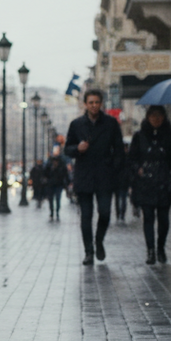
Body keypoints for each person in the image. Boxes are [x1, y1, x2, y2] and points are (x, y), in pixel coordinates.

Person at [63, 89, 124, 264]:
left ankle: (99, 241)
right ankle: (88, 251)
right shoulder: (77, 124)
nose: (94, 105)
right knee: (86, 216)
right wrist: (77, 149)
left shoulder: (111, 123)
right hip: (84, 175)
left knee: (105, 213)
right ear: (85, 104)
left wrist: (114, 167)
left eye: (97, 102)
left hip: (105, 175)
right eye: (91, 102)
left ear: (101, 103)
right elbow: (68, 148)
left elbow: (119, 150)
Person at [127, 105, 171, 264]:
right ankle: (150, 250)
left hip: (164, 182)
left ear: (164, 117)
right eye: (152, 116)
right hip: (146, 182)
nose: (156, 119)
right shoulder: (139, 136)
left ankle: (161, 247)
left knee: (164, 218)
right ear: (147, 118)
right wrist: (137, 169)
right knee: (148, 217)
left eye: (159, 116)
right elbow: (131, 158)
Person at [44, 155, 69, 220]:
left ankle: (57, 212)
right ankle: (52, 212)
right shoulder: (49, 166)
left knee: (58, 199)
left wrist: (67, 183)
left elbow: (65, 175)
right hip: (51, 185)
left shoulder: (62, 167)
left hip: (59, 185)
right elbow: (45, 174)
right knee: (51, 199)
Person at [114, 139, 131, 224]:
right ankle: (119, 214)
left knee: (122, 197)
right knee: (119, 198)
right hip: (120, 180)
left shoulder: (120, 157)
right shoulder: (126, 157)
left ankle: (121, 214)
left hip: (122, 180)